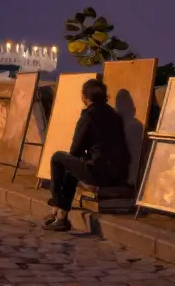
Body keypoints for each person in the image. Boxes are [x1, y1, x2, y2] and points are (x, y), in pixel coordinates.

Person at [43, 77, 130, 232]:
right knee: (74, 165)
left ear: (85, 97)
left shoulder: (89, 116)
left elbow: (75, 149)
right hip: (120, 173)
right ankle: (61, 215)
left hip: (100, 173)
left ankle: (57, 205)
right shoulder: (114, 115)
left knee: (59, 158)